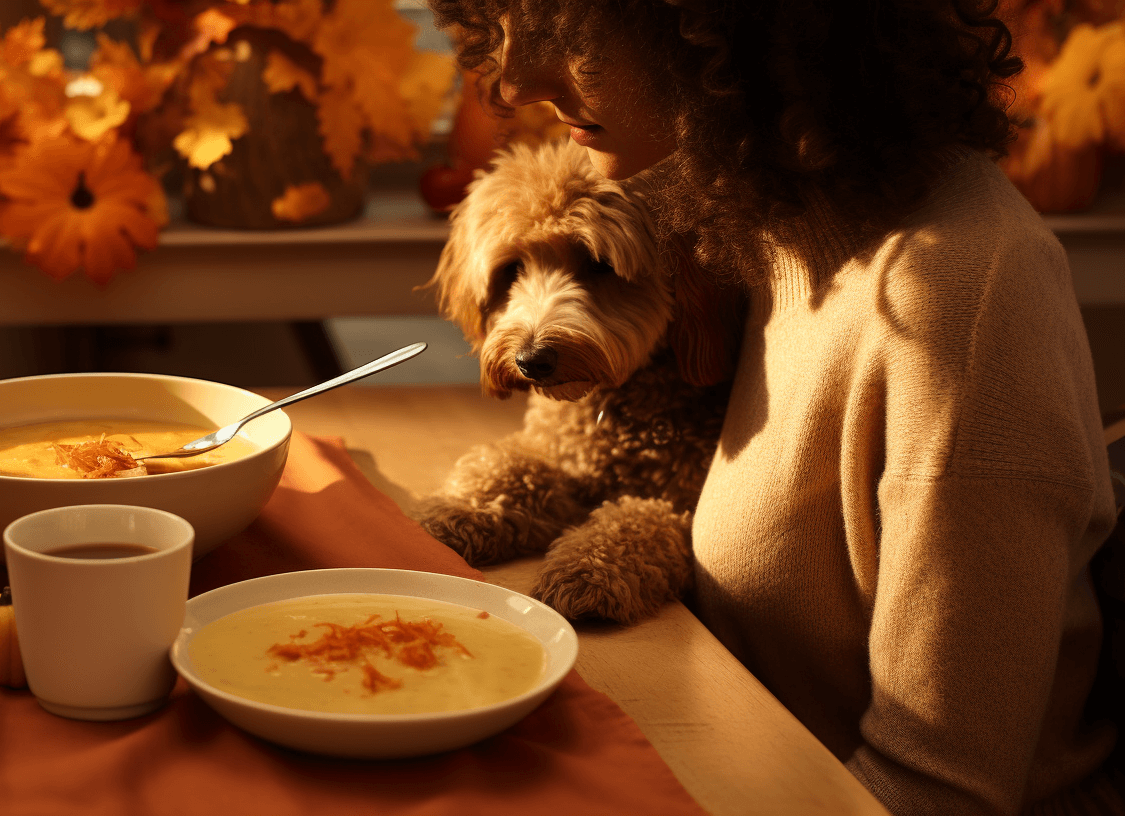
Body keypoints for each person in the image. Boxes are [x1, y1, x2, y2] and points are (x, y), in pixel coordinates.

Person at [424, 1, 1123, 813]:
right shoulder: (751, 228)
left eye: (571, 26)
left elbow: (936, 792)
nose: (511, 82)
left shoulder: (958, 299)